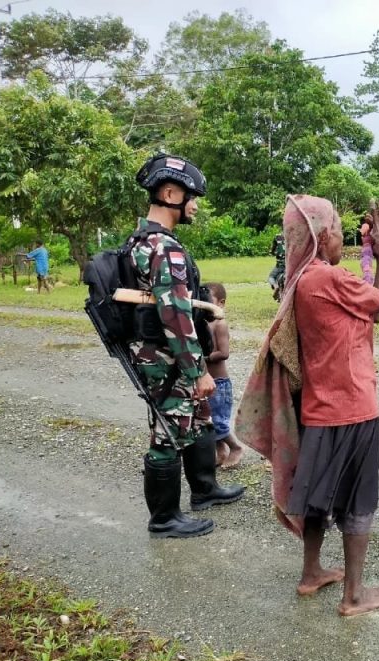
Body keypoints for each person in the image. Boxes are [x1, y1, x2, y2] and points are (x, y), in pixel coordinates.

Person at [236, 195, 379, 616]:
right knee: (357, 500)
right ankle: (354, 595)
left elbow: (372, 311)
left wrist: (368, 252)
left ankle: (312, 573)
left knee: (316, 496)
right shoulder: (329, 279)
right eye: (339, 229)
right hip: (353, 407)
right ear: (323, 234)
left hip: (317, 407)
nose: (343, 236)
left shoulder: (302, 280)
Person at [130, 153, 245, 538]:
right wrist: (198, 372)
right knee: (167, 431)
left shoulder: (146, 241)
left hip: (161, 353)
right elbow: (175, 315)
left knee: (197, 419)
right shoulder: (164, 248)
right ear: (168, 193)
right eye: (191, 196)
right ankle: (164, 518)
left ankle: (204, 489)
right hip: (165, 358)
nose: (195, 204)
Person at [203, 282, 245, 469]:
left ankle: (235, 448)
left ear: (221, 303)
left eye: (208, 300)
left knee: (219, 422)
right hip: (206, 382)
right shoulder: (202, 323)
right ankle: (220, 452)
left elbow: (224, 353)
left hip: (219, 384)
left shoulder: (220, 324)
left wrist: (204, 357)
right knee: (208, 420)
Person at [268, 233, 286, 301]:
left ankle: (276, 286)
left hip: (280, 265)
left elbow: (273, 249)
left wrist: (272, 252)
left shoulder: (277, 236)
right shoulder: (293, 236)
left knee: (271, 276)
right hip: (291, 265)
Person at [359, 213, 374, 284]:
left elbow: (362, 233)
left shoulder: (368, 227)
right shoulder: (371, 229)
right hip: (367, 248)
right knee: (367, 262)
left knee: (366, 262)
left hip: (367, 248)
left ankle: (368, 278)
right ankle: (368, 278)